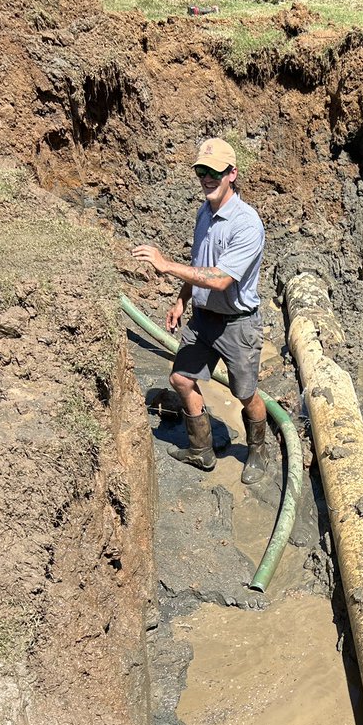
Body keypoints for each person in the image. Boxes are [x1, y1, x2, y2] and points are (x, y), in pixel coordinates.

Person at [132, 138, 268, 481]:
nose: (207, 178)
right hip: (203, 319)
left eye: (214, 172)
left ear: (232, 174)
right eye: (201, 171)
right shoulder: (204, 213)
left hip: (238, 325)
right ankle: (202, 450)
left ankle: (257, 451)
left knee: (245, 394)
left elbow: (221, 279)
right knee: (179, 377)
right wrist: (181, 299)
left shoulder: (246, 223)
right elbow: (199, 265)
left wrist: (166, 266)